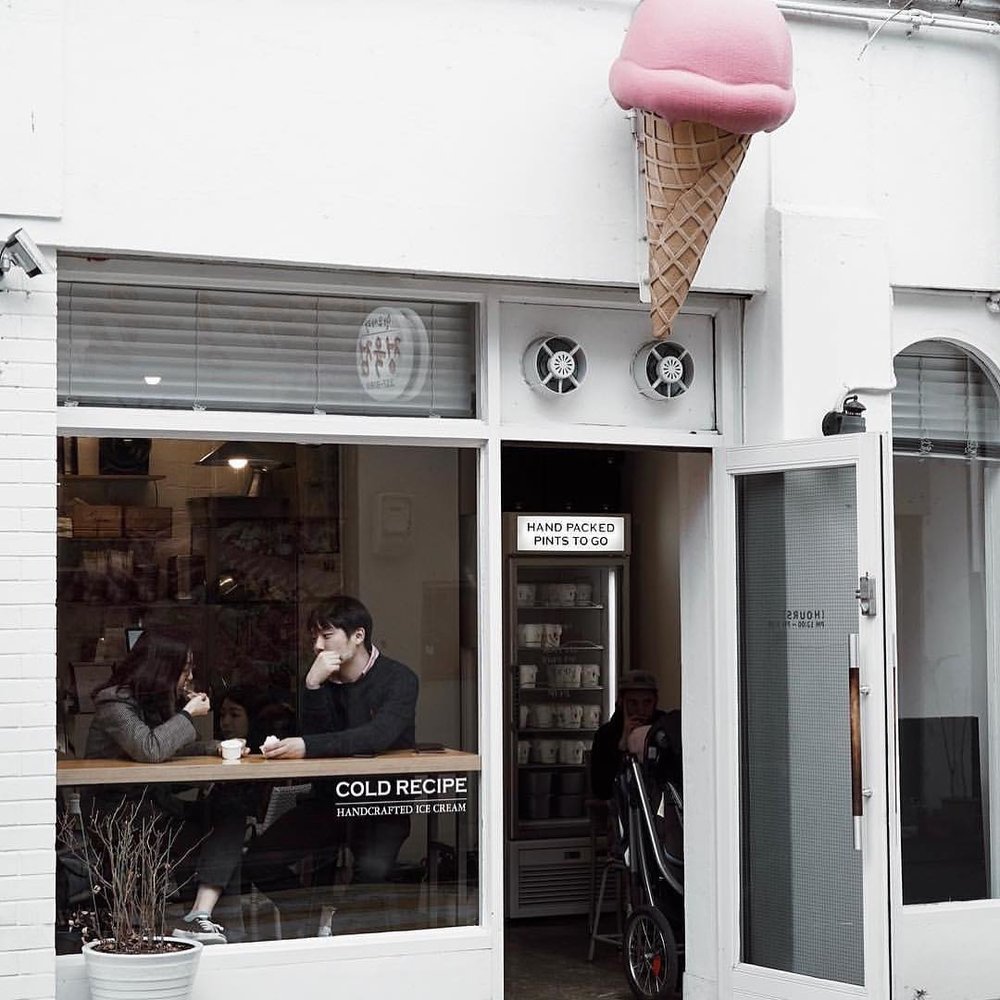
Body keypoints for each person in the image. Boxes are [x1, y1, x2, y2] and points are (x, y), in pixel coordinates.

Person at [245, 595, 419, 936]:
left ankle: (341, 936)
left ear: (357, 635)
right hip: (329, 800)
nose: (317, 645)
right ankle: (310, 922)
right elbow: (321, 741)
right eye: (314, 636)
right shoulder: (318, 677)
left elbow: (376, 736)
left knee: (372, 874)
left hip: (383, 801)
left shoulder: (399, 679)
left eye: (326, 636)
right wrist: (313, 687)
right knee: (257, 862)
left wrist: (308, 747)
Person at [84, 626, 247, 945]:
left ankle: (200, 915)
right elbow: (151, 748)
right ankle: (204, 924)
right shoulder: (114, 703)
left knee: (230, 812)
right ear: (163, 668)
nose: (189, 676)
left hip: (155, 809)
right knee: (206, 838)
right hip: (121, 818)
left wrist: (216, 747)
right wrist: (187, 713)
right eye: (185, 668)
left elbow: (174, 746)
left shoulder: (155, 701)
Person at [589, 670, 668, 800]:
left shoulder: (664, 730)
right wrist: (623, 746)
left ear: (655, 701)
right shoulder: (606, 735)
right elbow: (601, 790)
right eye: (633, 703)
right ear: (621, 701)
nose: (640, 710)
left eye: (647, 703)